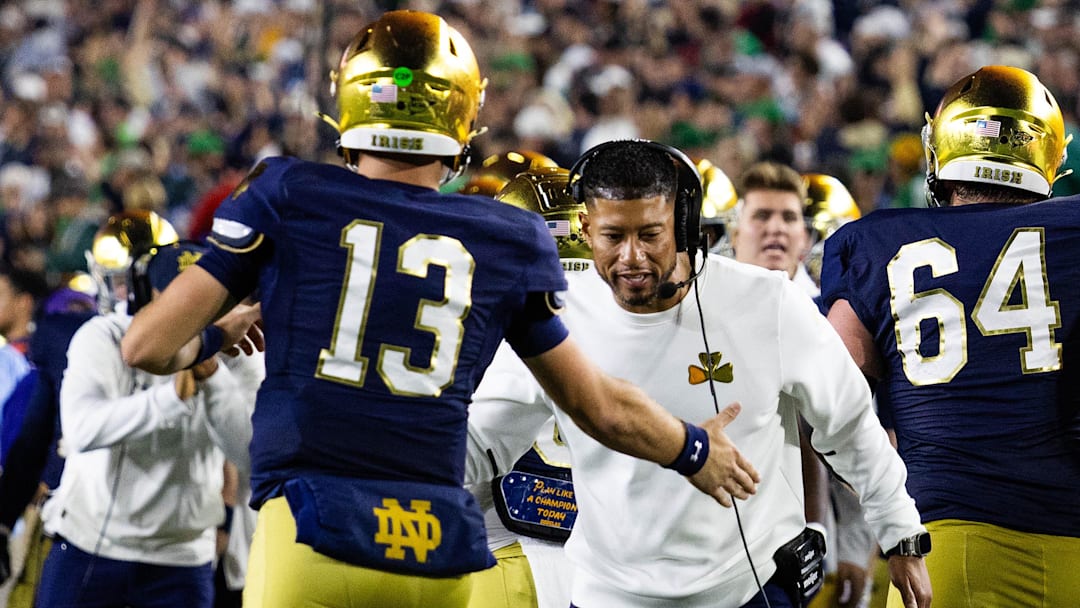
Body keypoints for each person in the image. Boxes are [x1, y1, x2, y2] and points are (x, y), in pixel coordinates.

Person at [118, 11, 758, 608]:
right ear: (461, 117)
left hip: (308, 533)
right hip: (436, 550)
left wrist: (211, 340)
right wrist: (695, 451)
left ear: (349, 106)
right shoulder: (505, 236)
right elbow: (597, 405)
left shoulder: (287, 194)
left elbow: (144, 346)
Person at [466, 139, 931, 608]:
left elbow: (850, 424)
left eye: (650, 235)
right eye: (613, 237)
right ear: (585, 228)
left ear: (685, 225)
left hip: (746, 591)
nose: (631, 257)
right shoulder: (557, 316)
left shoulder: (766, 302)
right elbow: (481, 444)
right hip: (607, 595)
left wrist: (901, 535)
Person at [822, 65, 1080, 607]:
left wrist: (889, 482)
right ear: (1050, 154)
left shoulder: (875, 242)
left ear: (941, 145)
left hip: (948, 547)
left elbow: (825, 400)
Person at [34, 212, 255, 608]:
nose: (121, 295)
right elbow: (83, 430)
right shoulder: (103, 336)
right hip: (90, 541)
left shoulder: (233, 346)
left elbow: (252, 456)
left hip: (181, 557)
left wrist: (210, 372)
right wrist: (172, 396)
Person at [729, 164, 875, 608]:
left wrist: (849, 546)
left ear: (807, 237)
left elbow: (857, 440)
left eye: (789, 218)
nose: (775, 230)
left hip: (798, 543)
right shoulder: (697, 306)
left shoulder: (834, 319)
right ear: (734, 230)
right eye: (762, 217)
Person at [466, 166, 586, 608]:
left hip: (507, 562)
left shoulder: (518, 321)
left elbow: (474, 450)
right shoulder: (628, 323)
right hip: (600, 568)